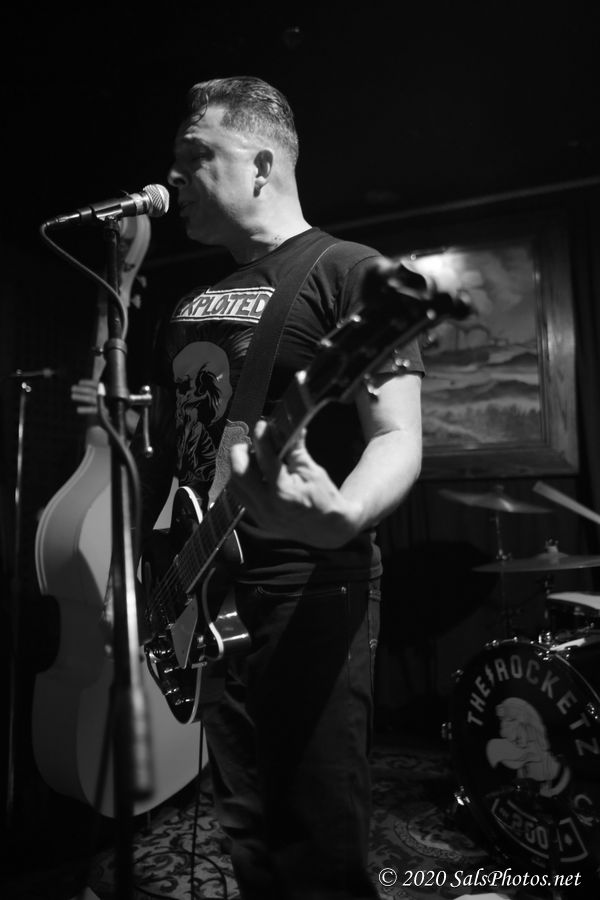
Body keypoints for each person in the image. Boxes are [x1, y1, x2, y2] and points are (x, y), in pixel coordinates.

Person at [135, 76, 424, 900]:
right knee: (248, 830)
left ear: (261, 165)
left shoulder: (352, 273)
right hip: (200, 588)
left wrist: (345, 514)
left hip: (307, 582)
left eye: (198, 155)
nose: (177, 177)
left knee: (317, 841)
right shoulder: (189, 300)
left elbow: (397, 435)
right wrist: (157, 573)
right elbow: (178, 458)